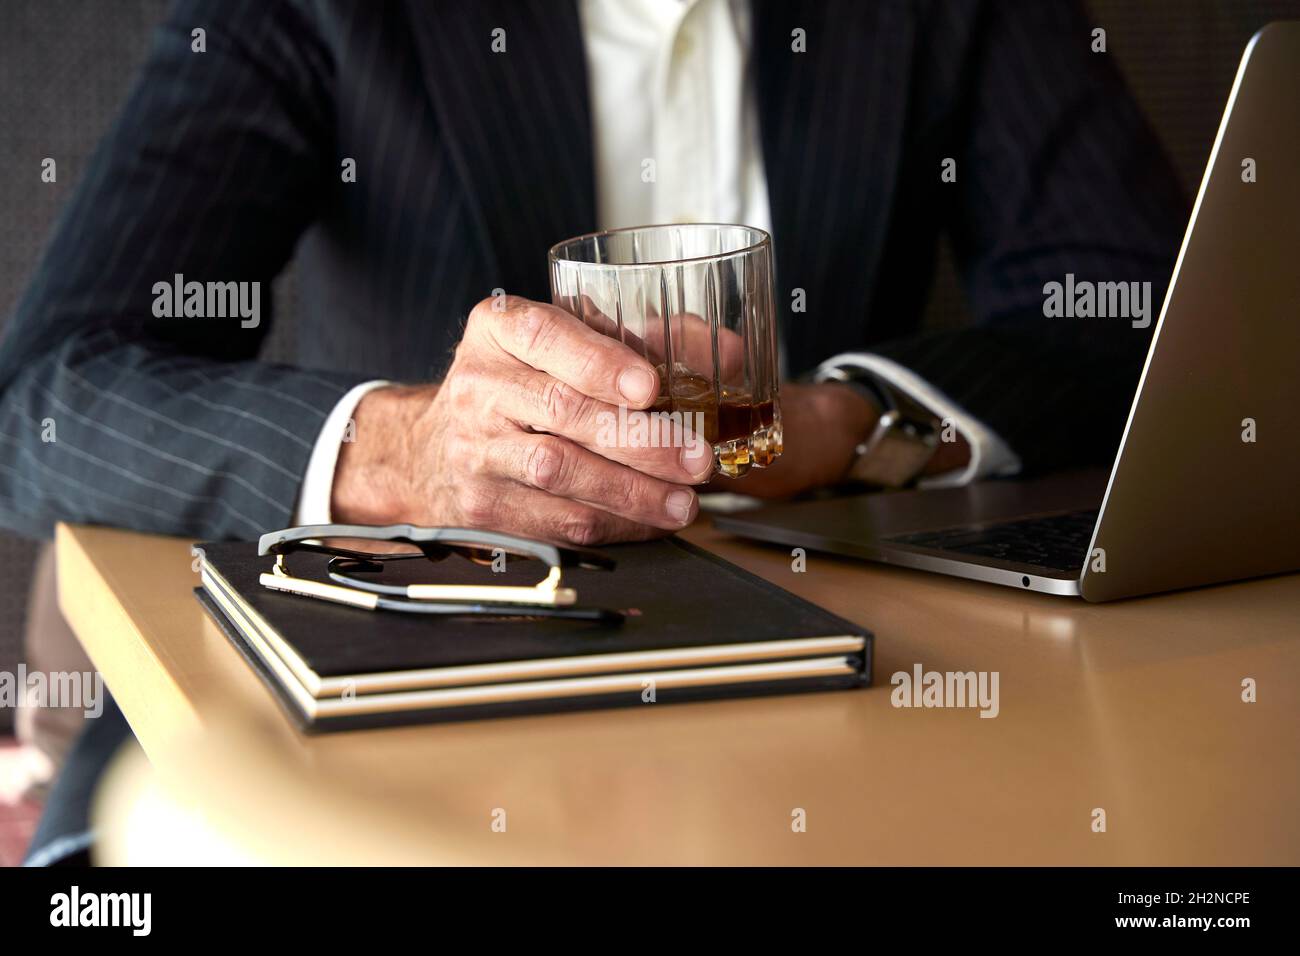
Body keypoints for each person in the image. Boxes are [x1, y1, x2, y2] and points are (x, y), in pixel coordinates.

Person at [0, 0, 1184, 863]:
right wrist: (407, 452)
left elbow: (1148, 309)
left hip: (837, 696)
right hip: (403, 696)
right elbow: (39, 397)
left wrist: (847, 420)